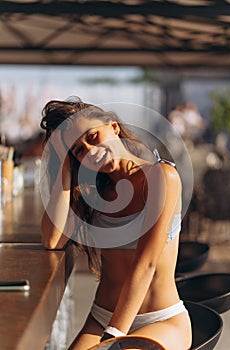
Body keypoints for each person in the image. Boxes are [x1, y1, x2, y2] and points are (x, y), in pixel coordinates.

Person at [40, 97, 192, 350]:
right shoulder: (92, 191)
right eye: (78, 150)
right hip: (101, 317)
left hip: (160, 321)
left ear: (113, 127)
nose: (89, 150)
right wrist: (64, 163)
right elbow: (52, 240)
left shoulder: (161, 177)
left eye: (92, 136)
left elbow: (147, 264)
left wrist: (113, 338)